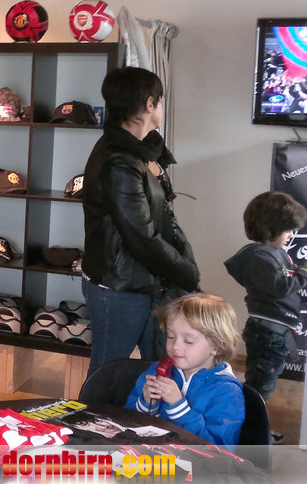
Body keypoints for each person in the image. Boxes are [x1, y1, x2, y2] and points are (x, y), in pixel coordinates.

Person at [80, 67, 200, 376]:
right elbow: (141, 238)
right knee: (106, 375)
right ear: (149, 104)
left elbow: (158, 216)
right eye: (159, 101)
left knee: (157, 372)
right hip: (119, 288)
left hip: (144, 283)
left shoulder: (139, 150)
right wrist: (187, 273)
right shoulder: (119, 159)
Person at [225, 191, 307, 442]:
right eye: (288, 229)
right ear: (270, 227)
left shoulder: (274, 254)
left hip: (274, 333)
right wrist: (304, 273)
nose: (292, 234)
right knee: (260, 386)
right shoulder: (259, 257)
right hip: (268, 334)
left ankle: (255, 425)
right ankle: (250, 432)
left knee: (263, 384)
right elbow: (281, 287)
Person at [125, 293, 245, 447]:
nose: (175, 346)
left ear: (216, 347)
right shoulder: (155, 371)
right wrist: (147, 403)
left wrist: (178, 407)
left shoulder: (227, 392)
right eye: (170, 336)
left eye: (188, 341)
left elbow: (219, 449)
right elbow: (127, 423)